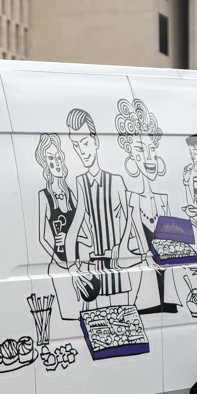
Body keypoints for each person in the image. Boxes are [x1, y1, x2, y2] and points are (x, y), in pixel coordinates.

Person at [115, 98, 180, 314]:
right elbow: (121, 255)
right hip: (144, 294)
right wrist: (142, 255)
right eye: (140, 149)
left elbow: (177, 248)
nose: (149, 158)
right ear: (131, 155)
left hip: (170, 294)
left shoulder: (164, 200)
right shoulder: (129, 201)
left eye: (152, 149)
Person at [64, 108, 133, 309]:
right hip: (94, 269)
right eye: (76, 145)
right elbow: (74, 227)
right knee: (97, 321)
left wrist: (121, 248)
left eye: (85, 143)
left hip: (117, 266)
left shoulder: (116, 180)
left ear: (96, 141)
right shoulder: (81, 182)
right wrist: (72, 267)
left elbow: (130, 220)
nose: (81, 151)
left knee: (123, 318)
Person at [34, 132, 81, 319]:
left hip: (78, 265)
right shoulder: (44, 196)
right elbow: (41, 238)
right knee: (70, 317)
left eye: (59, 157)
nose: (57, 163)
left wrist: (70, 237)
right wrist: (58, 260)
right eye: (51, 159)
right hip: (60, 267)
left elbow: (87, 232)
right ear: (45, 164)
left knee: (84, 319)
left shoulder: (71, 194)